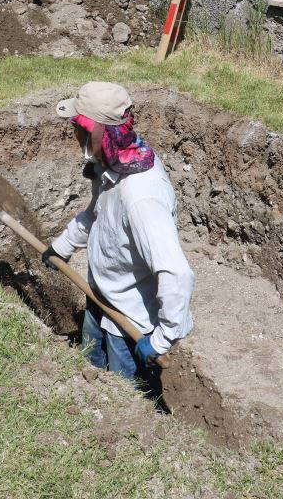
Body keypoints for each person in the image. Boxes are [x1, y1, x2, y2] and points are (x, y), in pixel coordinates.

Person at [42, 82, 194, 397]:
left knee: (128, 403)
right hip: (98, 299)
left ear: (95, 131)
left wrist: (161, 340)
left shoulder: (141, 196)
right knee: (91, 379)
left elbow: (176, 273)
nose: (74, 135)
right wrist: (63, 246)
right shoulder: (113, 163)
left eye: (78, 128)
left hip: (128, 325)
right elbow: (99, 216)